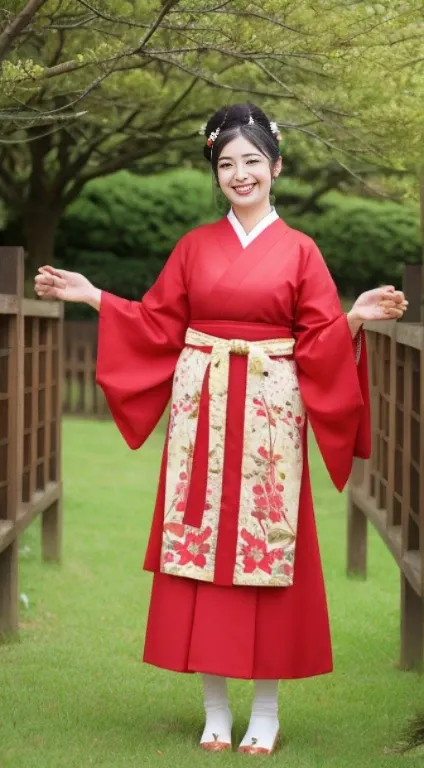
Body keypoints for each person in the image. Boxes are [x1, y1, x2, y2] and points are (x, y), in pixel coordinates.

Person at [34, 103, 407, 756]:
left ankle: (264, 711)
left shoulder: (301, 251)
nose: (240, 174)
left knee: (270, 552)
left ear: (276, 168)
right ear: (217, 172)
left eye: (252, 162)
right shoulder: (193, 248)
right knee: (198, 550)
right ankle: (213, 710)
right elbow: (156, 324)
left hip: (271, 413)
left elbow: (317, 340)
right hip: (201, 409)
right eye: (227, 163)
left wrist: (353, 317)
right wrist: (94, 295)